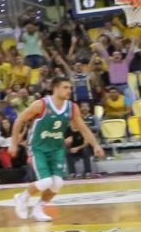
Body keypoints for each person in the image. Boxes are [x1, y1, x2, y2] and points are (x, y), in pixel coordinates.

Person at [8, 78, 106, 222]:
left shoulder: (72, 107)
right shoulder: (40, 104)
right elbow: (19, 121)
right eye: (65, 87)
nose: (69, 91)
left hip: (56, 148)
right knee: (46, 181)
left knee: (58, 183)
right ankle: (22, 197)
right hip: (38, 148)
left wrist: (96, 145)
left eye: (70, 88)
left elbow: (83, 128)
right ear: (56, 88)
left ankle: (39, 208)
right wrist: (13, 144)